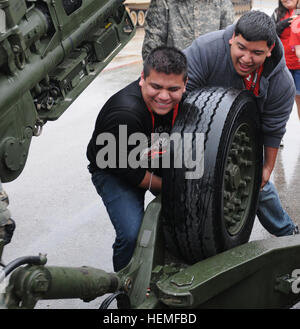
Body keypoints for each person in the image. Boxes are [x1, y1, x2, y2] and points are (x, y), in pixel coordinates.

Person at [184, 10, 299, 236]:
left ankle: (289, 236)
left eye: (257, 52)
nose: (247, 59)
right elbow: (176, 95)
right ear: (232, 38)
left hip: (242, 140)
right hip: (196, 132)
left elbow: (273, 128)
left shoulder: (282, 84)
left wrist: (266, 168)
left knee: (260, 189)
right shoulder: (205, 51)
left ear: (269, 51)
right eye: (241, 48)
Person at [87, 46, 188, 272]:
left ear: (184, 85)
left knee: (188, 210)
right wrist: (170, 187)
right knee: (132, 233)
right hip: (114, 169)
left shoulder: (187, 104)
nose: (164, 96)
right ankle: (125, 285)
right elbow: (129, 171)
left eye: (173, 89)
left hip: (151, 153)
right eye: (156, 86)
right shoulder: (124, 113)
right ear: (142, 78)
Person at [142, 0, 235, 61]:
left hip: (211, 79)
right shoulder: (164, 2)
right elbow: (152, 48)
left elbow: (228, 44)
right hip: (173, 77)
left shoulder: (222, 2)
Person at [271, 0, 300, 120]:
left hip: (299, 67)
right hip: (283, 67)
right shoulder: (277, 13)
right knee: (279, 102)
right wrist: (280, 26)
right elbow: (268, 34)